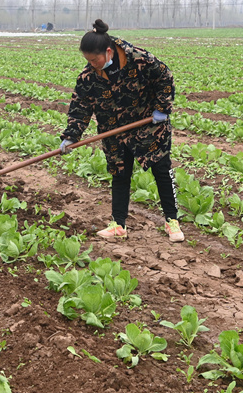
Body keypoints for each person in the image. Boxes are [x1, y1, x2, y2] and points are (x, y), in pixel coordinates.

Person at [59, 19, 184, 242]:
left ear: (108, 51)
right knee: (119, 174)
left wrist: (162, 108)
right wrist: (71, 136)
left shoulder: (139, 59)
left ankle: (172, 221)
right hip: (114, 131)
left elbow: (165, 77)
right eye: (87, 60)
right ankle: (118, 224)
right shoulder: (89, 76)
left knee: (161, 171)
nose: (92, 64)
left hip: (148, 126)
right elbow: (80, 107)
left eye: (94, 59)